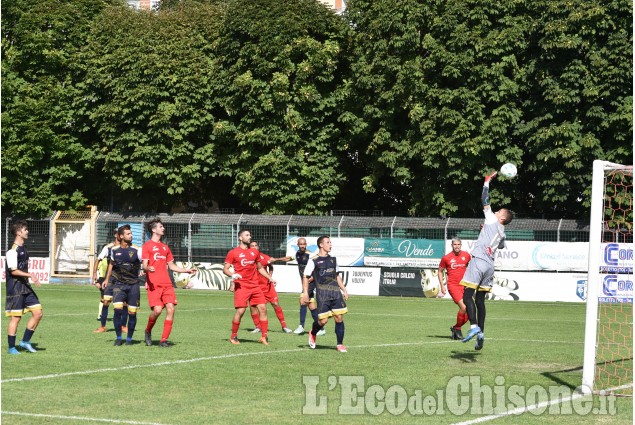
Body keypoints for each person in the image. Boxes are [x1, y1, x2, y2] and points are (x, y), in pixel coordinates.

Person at [460, 171, 513, 350]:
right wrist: (485, 230)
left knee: (467, 295)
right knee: (480, 300)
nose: (496, 211)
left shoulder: (491, 219)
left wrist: (486, 182)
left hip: (479, 261)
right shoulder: (502, 232)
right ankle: (481, 333)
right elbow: (501, 245)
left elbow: (484, 199)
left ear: (502, 218)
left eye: (499, 212)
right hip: (490, 266)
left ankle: (473, 327)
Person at [142, 217, 198, 347]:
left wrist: (186, 270)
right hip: (154, 284)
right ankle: (148, 330)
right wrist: (147, 268)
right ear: (153, 229)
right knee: (157, 311)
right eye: (161, 227)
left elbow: (171, 266)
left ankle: (163, 340)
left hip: (167, 284)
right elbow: (144, 265)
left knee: (171, 309)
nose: (163, 229)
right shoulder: (147, 246)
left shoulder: (165, 247)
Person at [223, 229, 276, 346]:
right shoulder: (233, 252)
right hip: (242, 286)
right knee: (241, 311)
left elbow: (260, 268)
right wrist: (233, 275)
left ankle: (264, 336)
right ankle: (233, 336)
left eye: (250, 235)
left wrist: (270, 278)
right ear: (240, 238)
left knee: (263, 308)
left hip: (255, 286)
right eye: (247, 235)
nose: (249, 236)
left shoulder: (254, 252)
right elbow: (225, 269)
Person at [300, 236, 349, 353]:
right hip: (322, 294)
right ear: (321, 245)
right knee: (323, 321)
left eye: (330, 242)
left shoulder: (333, 260)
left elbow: (337, 276)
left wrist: (344, 289)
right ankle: (313, 332)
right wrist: (305, 293)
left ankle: (340, 344)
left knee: (339, 318)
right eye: (328, 242)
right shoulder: (313, 260)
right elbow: (306, 276)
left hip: (335, 293)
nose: (330, 244)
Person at [4, 220, 43, 354]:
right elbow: (13, 271)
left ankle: (25, 341)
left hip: (25, 287)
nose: (27, 231)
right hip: (15, 288)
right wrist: (30, 275)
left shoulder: (23, 249)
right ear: (19, 232)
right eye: (25, 229)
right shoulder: (12, 251)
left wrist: (28, 277)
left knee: (38, 313)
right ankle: (11, 348)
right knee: (16, 318)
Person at [102, 225, 143, 346]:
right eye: (128, 234)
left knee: (132, 313)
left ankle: (129, 339)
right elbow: (111, 265)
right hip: (119, 285)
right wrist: (107, 279)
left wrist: (145, 270)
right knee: (117, 311)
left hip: (133, 285)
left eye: (131, 234)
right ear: (121, 236)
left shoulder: (137, 250)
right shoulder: (114, 250)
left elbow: (146, 263)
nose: (131, 235)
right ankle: (119, 338)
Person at [247, 240, 293, 334]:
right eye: (252, 246)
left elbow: (272, 264)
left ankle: (284, 326)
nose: (255, 247)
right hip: (254, 286)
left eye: (256, 245)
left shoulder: (263, 257)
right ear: (249, 248)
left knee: (275, 304)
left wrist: (270, 276)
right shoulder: (247, 259)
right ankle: (258, 327)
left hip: (267, 286)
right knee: (253, 307)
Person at [92, 228, 128, 334]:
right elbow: (98, 259)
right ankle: (103, 327)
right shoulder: (108, 248)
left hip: (122, 279)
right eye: (117, 233)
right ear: (116, 235)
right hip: (110, 279)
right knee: (106, 301)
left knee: (124, 303)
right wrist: (94, 274)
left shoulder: (127, 247)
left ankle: (123, 326)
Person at [438, 237, 471, 340]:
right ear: (451, 245)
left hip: (465, 285)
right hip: (453, 286)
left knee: (471, 312)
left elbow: (471, 268)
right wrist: (442, 286)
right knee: (464, 308)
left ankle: (456, 328)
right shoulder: (446, 258)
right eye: (455, 244)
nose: (456, 246)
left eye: (458, 244)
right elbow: (440, 271)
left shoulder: (466, 255)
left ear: (461, 245)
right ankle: (457, 329)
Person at [292, 238, 325, 336]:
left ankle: (301, 326)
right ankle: (321, 328)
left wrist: (311, 278)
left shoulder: (310, 255)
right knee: (311, 306)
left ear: (306, 244)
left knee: (302, 301)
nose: (302, 246)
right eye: (300, 244)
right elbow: (290, 258)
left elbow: (317, 267)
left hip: (310, 282)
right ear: (298, 245)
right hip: (305, 282)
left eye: (304, 244)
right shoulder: (297, 254)